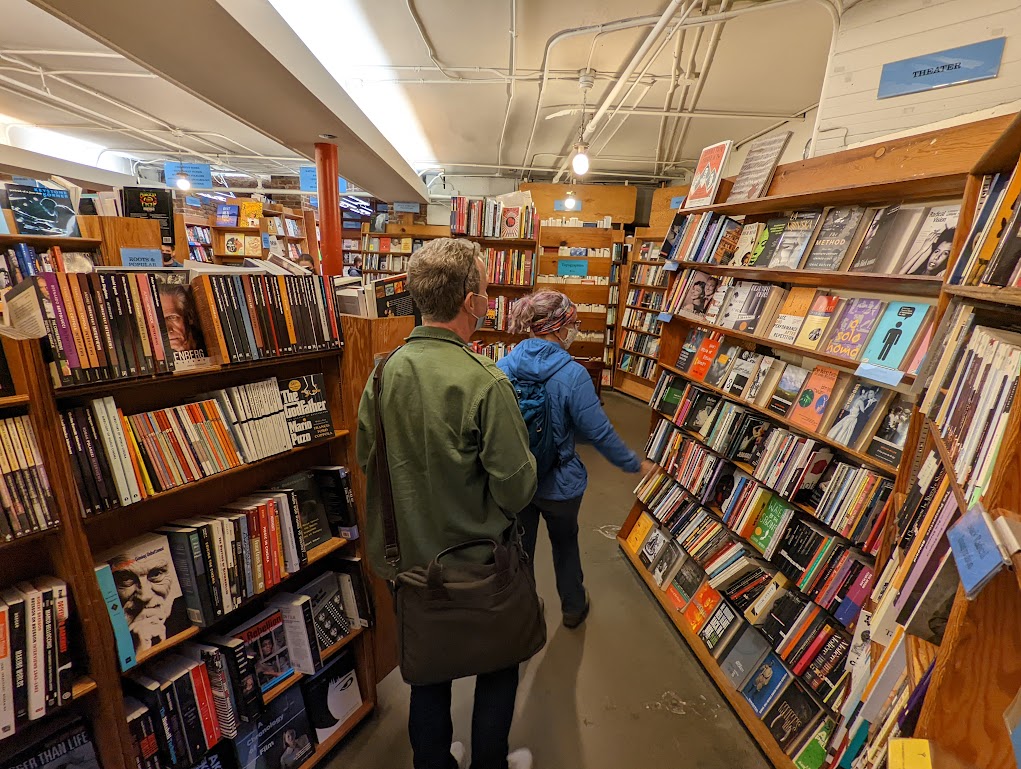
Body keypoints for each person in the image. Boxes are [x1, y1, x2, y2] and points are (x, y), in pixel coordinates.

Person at [357, 238, 538, 769]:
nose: (487, 298)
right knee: (498, 667)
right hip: (482, 564)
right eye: (483, 288)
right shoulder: (486, 382)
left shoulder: (384, 373)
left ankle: (433, 763)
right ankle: (490, 763)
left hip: (411, 564)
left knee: (428, 675)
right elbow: (515, 490)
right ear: (469, 300)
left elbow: (370, 456)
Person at [497, 290, 655, 628]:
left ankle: (526, 613)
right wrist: (634, 464)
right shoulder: (573, 375)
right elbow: (597, 432)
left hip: (520, 481)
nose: (575, 330)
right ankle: (573, 606)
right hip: (561, 484)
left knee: (521, 548)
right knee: (565, 544)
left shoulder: (503, 366)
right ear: (557, 328)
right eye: (573, 324)